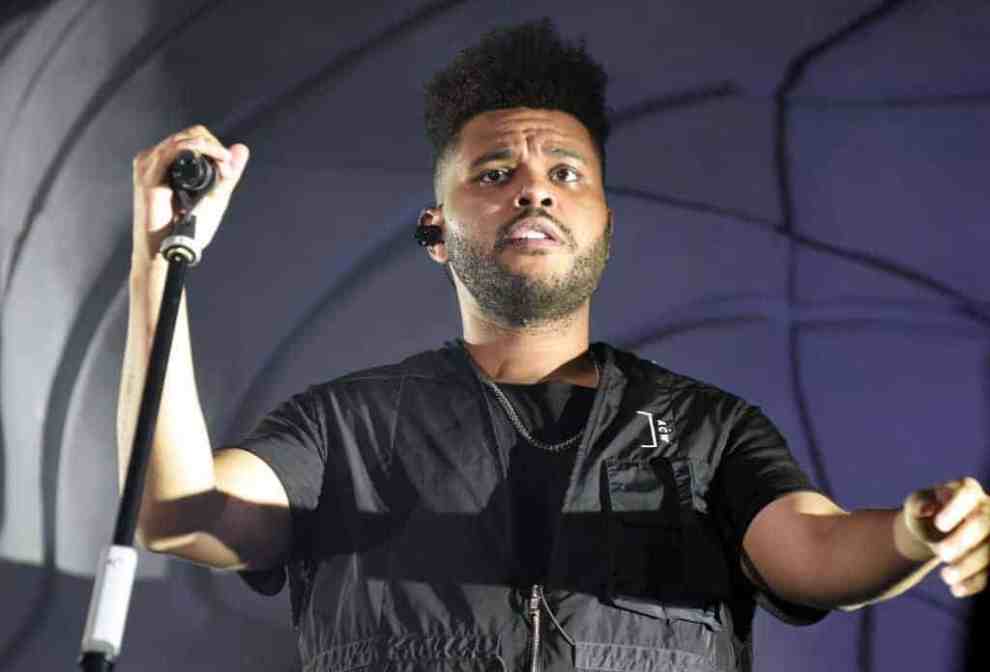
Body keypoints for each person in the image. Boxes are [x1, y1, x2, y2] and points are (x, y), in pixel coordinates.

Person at [120, 19, 989, 672]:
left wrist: (914, 532)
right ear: (436, 231)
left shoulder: (709, 431)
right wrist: (160, 257)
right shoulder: (341, 429)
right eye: (495, 173)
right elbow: (174, 509)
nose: (533, 191)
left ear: (605, 226)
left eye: (565, 173)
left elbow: (816, 553)